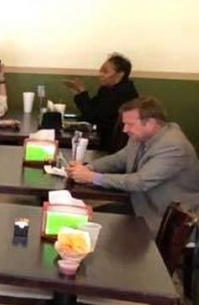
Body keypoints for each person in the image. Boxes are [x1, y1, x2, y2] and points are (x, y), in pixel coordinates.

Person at [68, 96, 199, 232]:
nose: (125, 130)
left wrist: (93, 177)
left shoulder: (173, 146)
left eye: (130, 124)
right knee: (85, 220)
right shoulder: (141, 136)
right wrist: (88, 167)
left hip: (166, 220)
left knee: (91, 227)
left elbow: (140, 182)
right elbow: (119, 159)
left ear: (151, 123)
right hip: (140, 205)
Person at [63, 53, 139, 152]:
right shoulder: (106, 89)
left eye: (105, 72)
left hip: (115, 147)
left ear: (120, 74)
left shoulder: (124, 93)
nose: (101, 75)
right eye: (101, 71)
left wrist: (82, 93)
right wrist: (80, 92)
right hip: (103, 138)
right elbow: (91, 109)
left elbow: (93, 116)